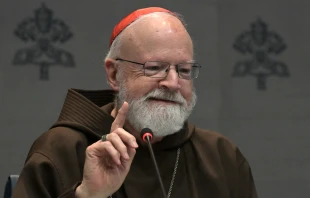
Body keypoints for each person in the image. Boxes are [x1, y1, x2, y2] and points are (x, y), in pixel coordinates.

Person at [12, 7, 258, 198]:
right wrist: (88, 196)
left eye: (183, 70)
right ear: (113, 74)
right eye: (154, 68)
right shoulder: (62, 149)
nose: (173, 83)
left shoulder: (221, 157)